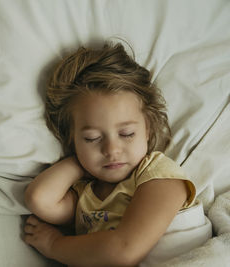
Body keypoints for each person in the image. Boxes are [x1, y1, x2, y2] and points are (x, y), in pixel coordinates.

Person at [23, 43, 209, 266]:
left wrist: (55, 245)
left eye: (127, 134)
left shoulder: (159, 176)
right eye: (92, 138)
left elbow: (124, 250)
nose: (111, 150)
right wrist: (80, 161)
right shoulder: (85, 196)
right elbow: (39, 199)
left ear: (148, 129)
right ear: (72, 140)